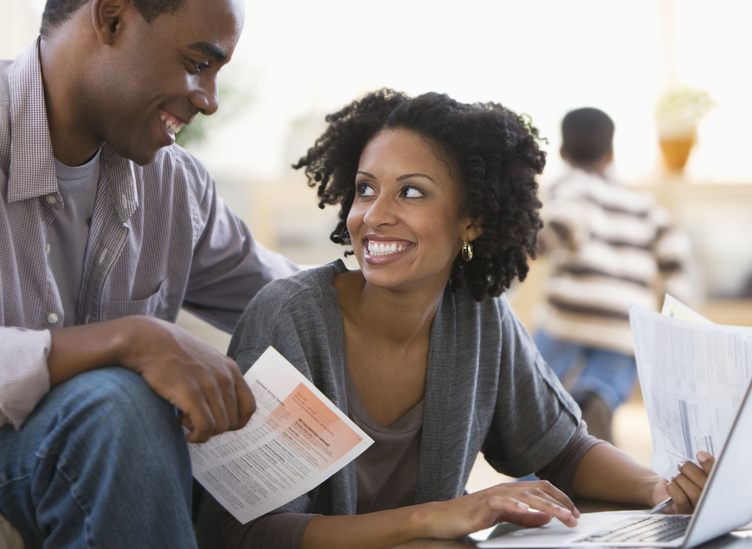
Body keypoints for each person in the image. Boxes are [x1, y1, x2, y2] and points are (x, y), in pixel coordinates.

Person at [195, 90, 712, 549]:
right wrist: (437, 517)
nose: (374, 215)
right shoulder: (289, 319)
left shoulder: (478, 314)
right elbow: (246, 532)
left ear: (472, 219)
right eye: (366, 188)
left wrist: (660, 489)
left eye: (411, 192)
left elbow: (564, 450)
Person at [0, 0, 297, 547]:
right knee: (116, 406)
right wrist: (129, 340)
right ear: (111, 19)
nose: (208, 100)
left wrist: (421, 265)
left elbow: (289, 297)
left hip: (87, 454)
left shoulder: (173, 185)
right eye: (197, 63)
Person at [534, 107, 694, 442]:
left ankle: (539, 430)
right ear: (611, 153)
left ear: (563, 153)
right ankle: (597, 399)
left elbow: (567, 222)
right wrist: (678, 311)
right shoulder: (642, 203)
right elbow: (673, 246)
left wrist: (526, 250)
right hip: (625, 318)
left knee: (536, 384)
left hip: (571, 310)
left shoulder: (571, 185)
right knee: (610, 377)